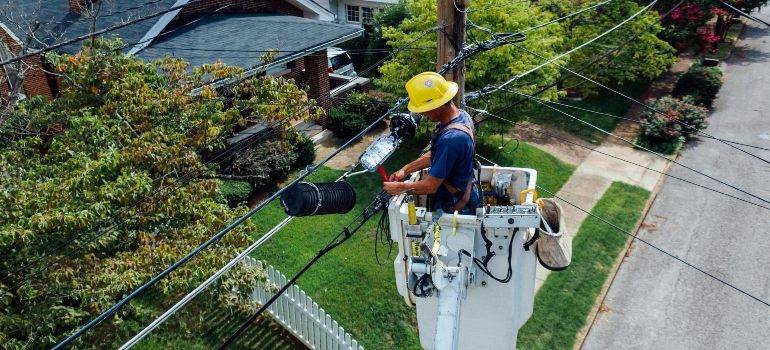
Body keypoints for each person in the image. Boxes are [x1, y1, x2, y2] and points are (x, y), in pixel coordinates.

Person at [383, 72, 480, 215]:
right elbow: (437, 155)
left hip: (456, 205)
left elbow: (430, 187)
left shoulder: (450, 140)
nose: (422, 114)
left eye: (423, 110)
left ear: (437, 107)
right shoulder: (462, 116)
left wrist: (399, 188)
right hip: (464, 194)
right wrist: (405, 169)